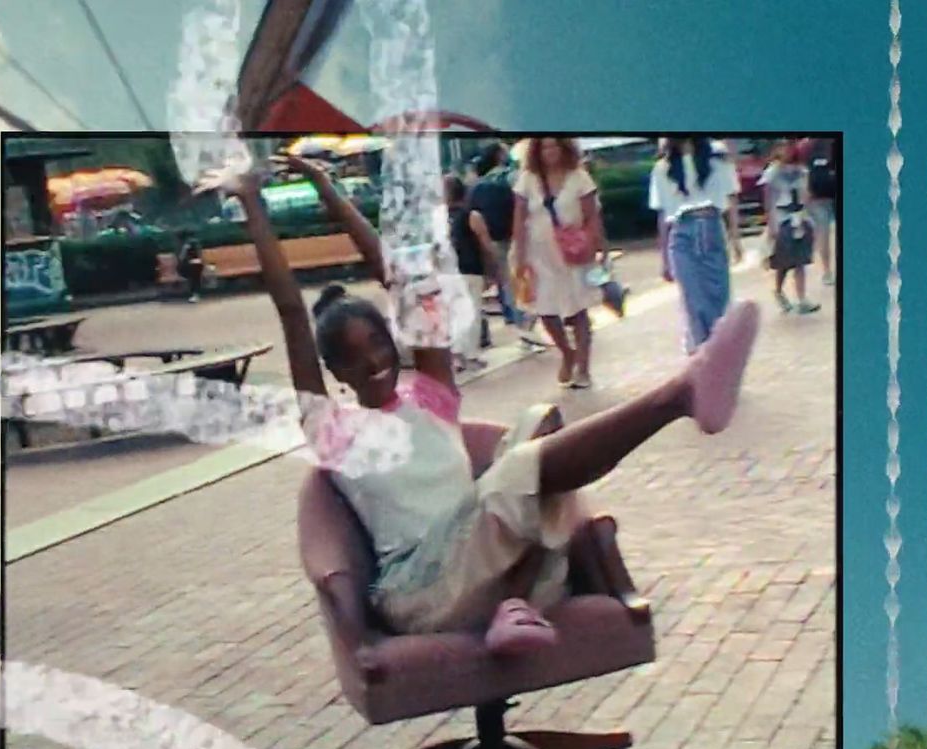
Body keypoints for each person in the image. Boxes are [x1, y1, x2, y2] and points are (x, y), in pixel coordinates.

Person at [215, 153, 761, 651]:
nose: (375, 361)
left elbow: (403, 287)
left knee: (537, 427)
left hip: (503, 569)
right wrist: (251, 204)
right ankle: (680, 394)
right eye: (353, 358)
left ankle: (513, 607)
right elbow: (290, 309)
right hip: (422, 594)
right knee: (521, 470)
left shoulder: (428, 397)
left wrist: (328, 190)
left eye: (380, 342)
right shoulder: (335, 432)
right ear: (334, 371)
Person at [512, 137, 605, 389]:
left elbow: (592, 216)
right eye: (544, 147)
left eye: (554, 146)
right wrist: (519, 257)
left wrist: (596, 247)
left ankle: (583, 368)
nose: (549, 151)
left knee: (580, 309)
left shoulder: (579, 177)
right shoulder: (528, 179)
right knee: (545, 309)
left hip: (574, 255)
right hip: (539, 257)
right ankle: (567, 352)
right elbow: (519, 220)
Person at [651, 138, 742, 354]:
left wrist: (735, 237)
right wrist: (664, 257)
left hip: (711, 226)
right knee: (693, 297)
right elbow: (663, 213)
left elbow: (731, 198)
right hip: (682, 231)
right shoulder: (663, 167)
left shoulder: (716, 159)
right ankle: (701, 350)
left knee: (718, 294)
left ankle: (718, 349)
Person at [469, 143, 544, 348]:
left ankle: (521, 325)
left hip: (492, 238)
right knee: (532, 280)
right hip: (517, 236)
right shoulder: (512, 176)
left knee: (509, 284)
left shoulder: (477, 184)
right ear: (499, 155)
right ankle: (529, 326)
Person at [445, 173, 496, 371]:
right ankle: (470, 355)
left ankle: (456, 355)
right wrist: (492, 269)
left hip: (448, 272)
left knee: (454, 313)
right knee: (472, 312)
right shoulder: (472, 216)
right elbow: (486, 244)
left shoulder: (441, 218)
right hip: (470, 268)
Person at [763, 141, 821, 314]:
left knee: (801, 260)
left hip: (800, 217)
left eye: (787, 146)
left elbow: (807, 194)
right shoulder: (772, 173)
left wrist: (809, 217)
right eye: (781, 147)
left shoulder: (802, 171)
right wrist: (771, 224)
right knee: (783, 261)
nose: (785, 150)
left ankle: (802, 299)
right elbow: (768, 200)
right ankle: (779, 291)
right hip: (782, 218)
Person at [803, 136, 838, 288]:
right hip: (817, 199)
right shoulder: (805, 147)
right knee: (822, 235)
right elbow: (802, 173)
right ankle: (827, 271)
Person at [177, 232, 205, 303]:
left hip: (191, 266)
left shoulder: (186, 244)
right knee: (195, 276)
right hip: (195, 265)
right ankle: (196, 294)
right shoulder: (195, 243)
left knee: (194, 275)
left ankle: (195, 294)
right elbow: (200, 256)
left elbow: (181, 257)